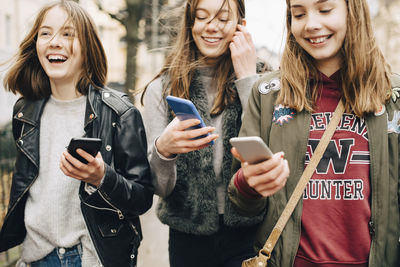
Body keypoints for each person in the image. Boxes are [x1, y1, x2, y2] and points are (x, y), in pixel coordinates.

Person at [229, 0, 400, 266]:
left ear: (353, 12)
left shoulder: (393, 97)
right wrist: (248, 185)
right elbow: (240, 203)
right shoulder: (267, 94)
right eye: (298, 14)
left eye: (324, 10)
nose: (311, 24)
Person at [0, 1, 154, 266]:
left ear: (88, 48)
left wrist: (102, 178)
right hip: (35, 255)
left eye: (68, 34)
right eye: (45, 33)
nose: (55, 42)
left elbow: (141, 198)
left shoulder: (120, 113)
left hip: (92, 257)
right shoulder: (25, 112)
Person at [141, 0, 270, 266]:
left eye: (223, 18)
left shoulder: (265, 81)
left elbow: (270, 152)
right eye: (201, 17)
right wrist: (163, 150)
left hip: (249, 231)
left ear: (240, 26)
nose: (211, 27)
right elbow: (158, 188)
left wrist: (247, 79)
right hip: (187, 235)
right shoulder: (161, 89)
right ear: (190, 24)